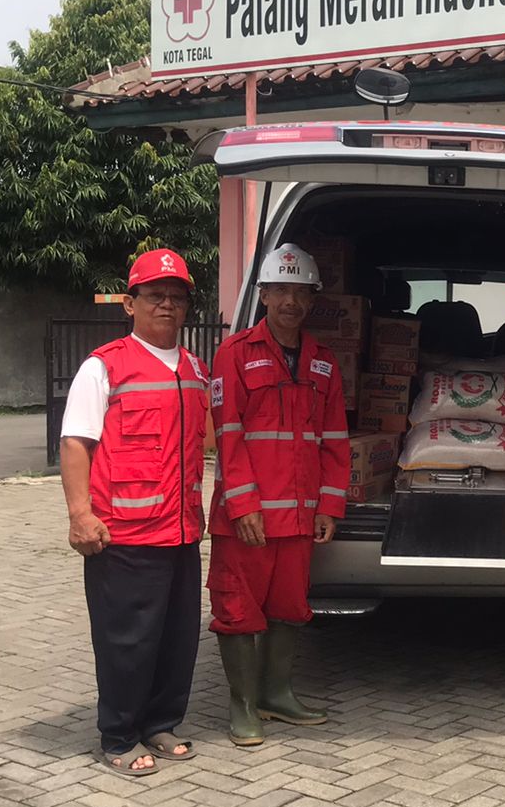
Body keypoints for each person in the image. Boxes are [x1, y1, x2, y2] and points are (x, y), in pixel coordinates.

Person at [60, 248, 210, 777]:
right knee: (127, 641)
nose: (167, 305)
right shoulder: (104, 367)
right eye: (155, 296)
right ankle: (119, 735)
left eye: (177, 297)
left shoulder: (195, 370)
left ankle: (161, 722)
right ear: (131, 303)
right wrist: (80, 515)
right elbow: (76, 443)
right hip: (122, 535)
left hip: (181, 533)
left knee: (176, 639)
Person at [207, 244, 348, 748]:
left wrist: (331, 505)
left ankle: (276, 693)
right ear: (263, 294)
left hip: (299, 518)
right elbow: (227, 434)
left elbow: (334, 440)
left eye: (300, 291)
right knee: (238, 610)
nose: (290, 300)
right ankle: (242, 705)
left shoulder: (323, 363)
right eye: (281, 289)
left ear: (312, 299)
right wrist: (243, 505)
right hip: (247, 519)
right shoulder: (234, 354)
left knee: (290, 608)